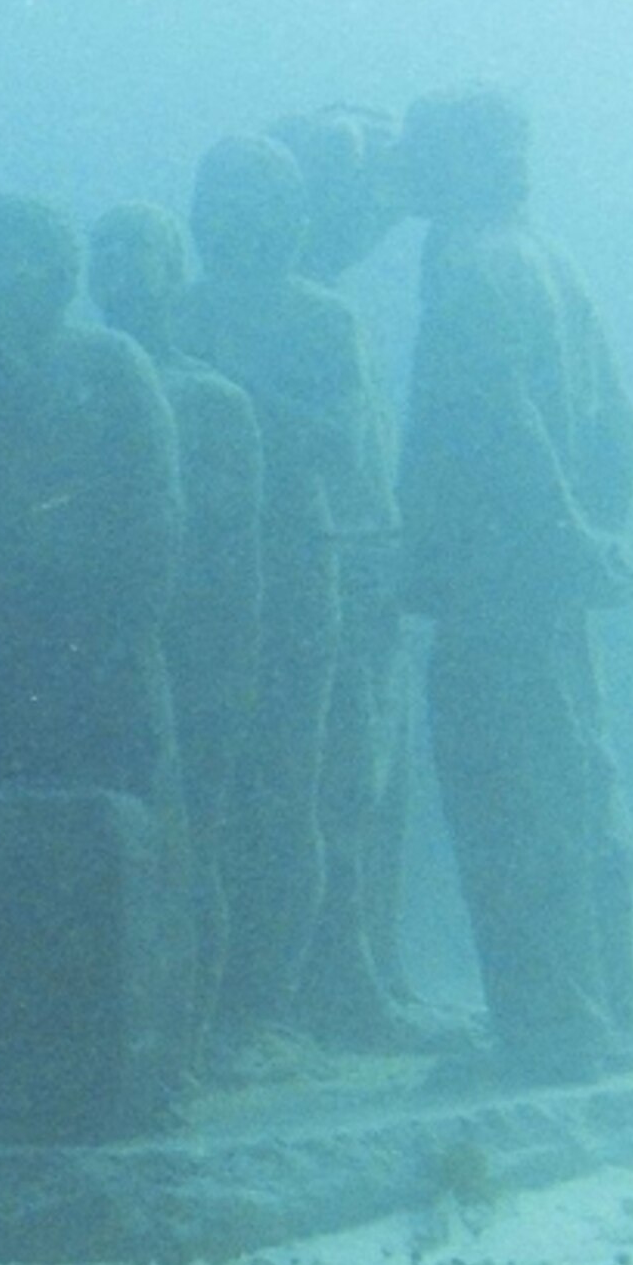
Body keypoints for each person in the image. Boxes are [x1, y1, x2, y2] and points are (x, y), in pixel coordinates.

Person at [0, 194, 191, 1135]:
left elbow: (156, 516)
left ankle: (152, 1064)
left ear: (59, 274)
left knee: (132, 848)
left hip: (95, 655)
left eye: (19, 261)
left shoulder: (112, 367)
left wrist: (111, 629)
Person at [397, 83, 633, 1080]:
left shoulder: (475, 268)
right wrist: (595, 539)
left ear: (460, 158)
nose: (403, 169)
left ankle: (552, 1031)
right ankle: (602, 1015)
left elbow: (505, 423)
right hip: (542, 585)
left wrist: (552, 536)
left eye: (420, 150)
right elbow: (620, 422)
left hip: (494, 583)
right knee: (576, 787)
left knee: (509, 798)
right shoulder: (547, 260)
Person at [186, 135, 379, 1048]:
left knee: (291, 785)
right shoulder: (179, 312)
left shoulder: (321, 318)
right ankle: (210, 984)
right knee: (208, 780)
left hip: (298, 562)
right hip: (204, 567)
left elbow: (338, 446)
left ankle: (271, 998)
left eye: (254, 203)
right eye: (220, 201)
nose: (234, 221)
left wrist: (232, 405)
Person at [90, 201, 264, 1068]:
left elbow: (232, 567)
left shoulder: (212, 401)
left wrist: (215, 669)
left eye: (135, 252)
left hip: (192, 657)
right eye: (103, 253)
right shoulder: (77, 387)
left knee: (194, 837)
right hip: (105, 656)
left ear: (171, 268)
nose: (116, 270)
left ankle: (199, 1031)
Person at [271, 105, 429, 1043]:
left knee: (367, 776)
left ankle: (370, 964)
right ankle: (341, 977)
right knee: (340, 777)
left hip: (361, 569)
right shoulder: (305, 314)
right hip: (330, 573)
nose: (379, 225)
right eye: (362, 201)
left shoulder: (324, 305)